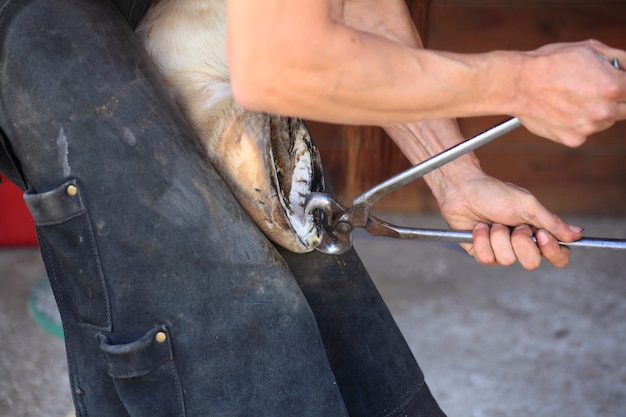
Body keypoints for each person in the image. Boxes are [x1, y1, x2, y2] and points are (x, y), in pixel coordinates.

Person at [0, 1, 623, 417]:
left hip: (185, 14)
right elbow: (276, 64)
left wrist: (455, 174)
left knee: (314, 267)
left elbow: (357, 4)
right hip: (48, 26)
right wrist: (517, 81)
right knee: (216, 313)